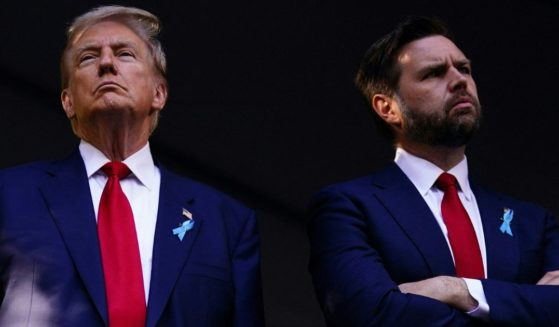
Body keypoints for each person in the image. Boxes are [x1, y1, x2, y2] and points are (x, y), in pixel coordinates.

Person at [0, 5, 264, 326]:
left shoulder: (227, 222)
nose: (107, 63)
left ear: (159, 93)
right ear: (67, 101)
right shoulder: (9, 197)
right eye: (88, 58)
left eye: (124, 54)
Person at [307, 16, 559, 326]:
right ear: (388, 108)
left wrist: (455, 289)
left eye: (464, 68)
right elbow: (370, 315)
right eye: (434, 73)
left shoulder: (532, 223)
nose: (459, 80)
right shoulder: (346, 208)